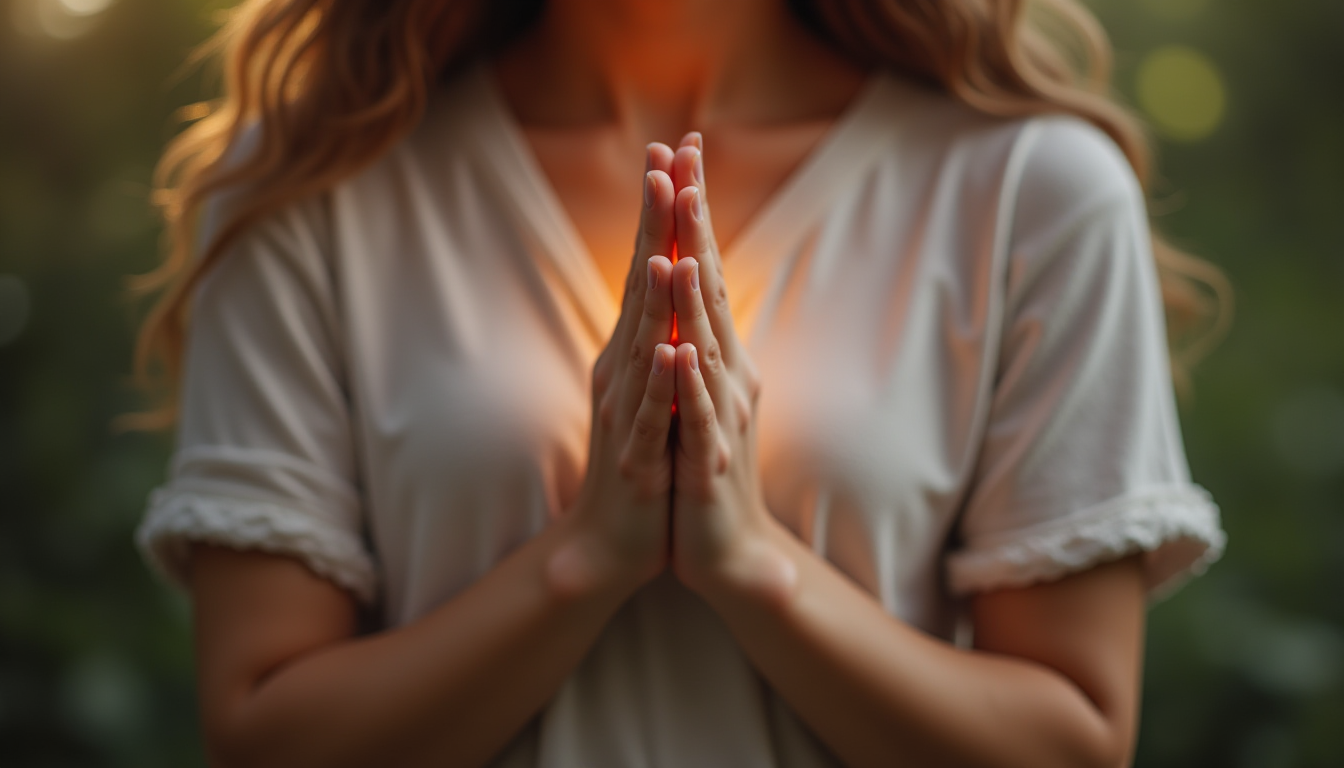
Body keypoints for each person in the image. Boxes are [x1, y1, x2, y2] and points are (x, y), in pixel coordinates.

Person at [133, 0, 1227, 765]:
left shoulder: (1027, 189)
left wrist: (752, 564)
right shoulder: (317, 189)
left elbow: (1073, 738)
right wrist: (583, 561)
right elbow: (265, 730)